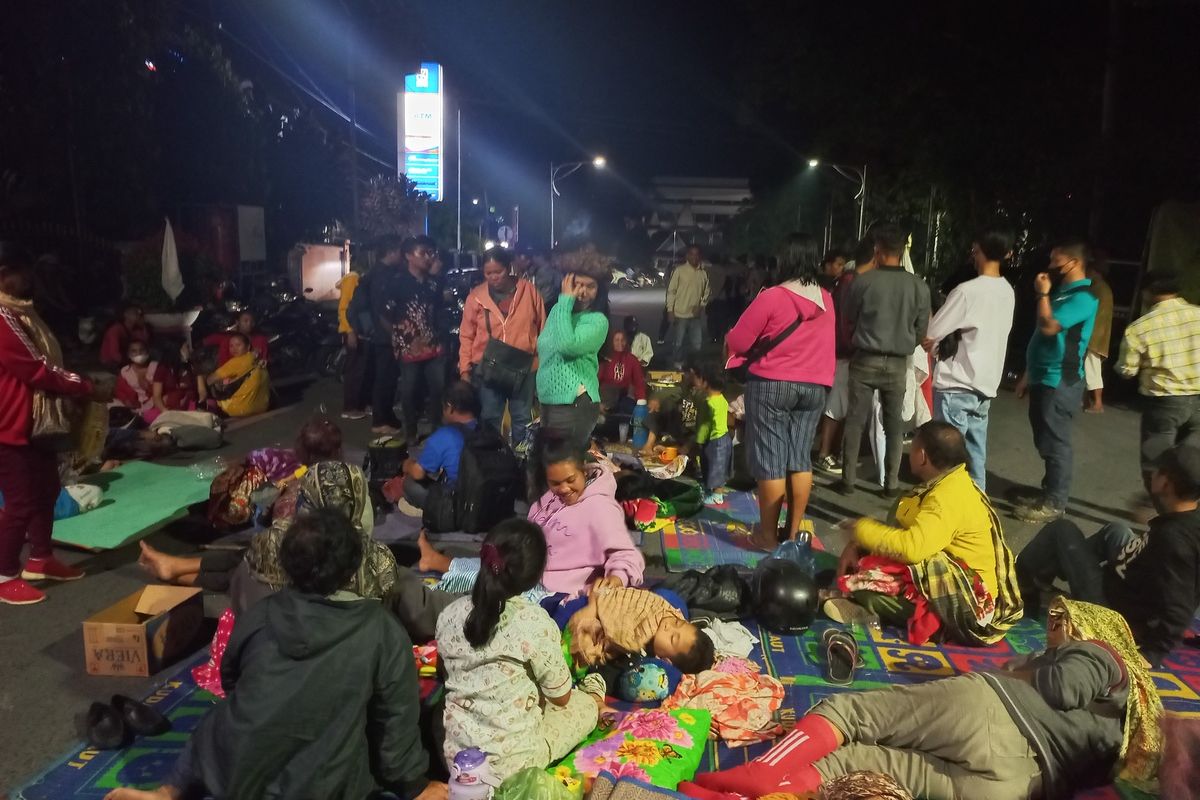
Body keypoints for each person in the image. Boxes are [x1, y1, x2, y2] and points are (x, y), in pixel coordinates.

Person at [104, 509, 445, 800]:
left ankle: (168, 792)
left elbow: (231, 678)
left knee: (218, 722)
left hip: (235, 775)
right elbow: (395, 721)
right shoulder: (379, 627)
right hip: (319, 785)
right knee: (364, 738)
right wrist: (415, 785)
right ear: (353, 566)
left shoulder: (263, 613)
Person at [682, 597, 1164, 800]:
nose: (1052, 626)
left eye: (1061, 620)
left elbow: (1063, 687)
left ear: (1094, 628)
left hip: (996, 715)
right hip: (1008, 788)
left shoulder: (1104, 655)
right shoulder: (1118, 733)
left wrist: (1015, 671)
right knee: (853, 766)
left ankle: (760, 774)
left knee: (850, 712)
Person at [438, 519, 605, 785]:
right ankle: (594, 697)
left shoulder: (448, 615)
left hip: (457, 759)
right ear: (535, 577)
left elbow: (445, 673)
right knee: (583, 705)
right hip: (515, 765)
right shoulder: (534, 622)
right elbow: (561, 698)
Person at [833, 421, 1022, 645]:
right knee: (900, 509)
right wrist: (858, 543)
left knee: (865, 589)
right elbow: (905, 530)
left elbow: (911, 549)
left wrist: (860, 531)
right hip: (955, 577)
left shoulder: (946, 498)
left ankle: (930, 623)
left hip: (969, 602)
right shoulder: (952, 483)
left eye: (912, 448)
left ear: (922, 456)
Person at [1017, 444, 1200, 667]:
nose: (1152, 474)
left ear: (1166, 483)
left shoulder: (1174, 539)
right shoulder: (1188, 518)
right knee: (1116, 530)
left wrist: (1152, 654)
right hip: (1130, 583)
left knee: (1062, 530)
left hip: (1111, 611)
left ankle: (1021, 585)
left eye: (1158, 471)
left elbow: (1180, 608)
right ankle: (1051, 572)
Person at [0, 244, 107, 605]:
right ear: (5, 275)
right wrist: (84, 386)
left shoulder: (21, 313)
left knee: (47, 490)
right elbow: (35, 368)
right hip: (10, 424)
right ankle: (4, 573)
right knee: (19, 503)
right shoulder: (3, 316)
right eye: (23, 272)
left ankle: (40, 558)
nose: (28, 279)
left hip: (32, 422)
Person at [415, 437, 644, 597]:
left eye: (570, 480)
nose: (564, 488)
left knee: (487, 583)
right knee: (491, 562)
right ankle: (434, 560)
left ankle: (433, 581)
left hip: (554, 591)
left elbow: (626, 555)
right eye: (555, 483)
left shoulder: (601, 508)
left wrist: (616, 579)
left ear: (583, 469)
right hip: (530, 570)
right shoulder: (550, 499)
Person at [726, 233, 836, 548]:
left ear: (783, 260)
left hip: (773, 385)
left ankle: (767, 536)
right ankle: (792, 531)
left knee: (771, 460)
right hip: (815, 387)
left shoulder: (773, 297)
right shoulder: (826, 299)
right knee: (800, 458)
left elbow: (739, 341)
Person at [836, 224, 931, 498]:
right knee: (893, 427)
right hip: (898, 363)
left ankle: (848, 481)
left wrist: (858, 340)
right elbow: (921, 330)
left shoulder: (862, 282)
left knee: (855, 422)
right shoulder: (919, 286)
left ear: (877, 250)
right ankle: (890, 485)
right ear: (901, 252)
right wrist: (905, 343)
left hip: (865, 358)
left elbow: (848, 320)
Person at [921, 229, 1016, 490]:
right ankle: (978, 506)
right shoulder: (1007, 291)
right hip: (985, 384)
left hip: (957, 383)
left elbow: (932, 332)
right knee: (975, 457)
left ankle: (946, 507)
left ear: (978, 250)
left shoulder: (967, 291)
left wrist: (935, 342)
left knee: (947, 459)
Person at [1014, 238, 1100, 522]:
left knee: (1056, 443)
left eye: (1056, 260)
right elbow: (1041, 339)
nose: (1050, 265)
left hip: (1060, 379)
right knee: (1046, 440)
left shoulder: (1084, 298)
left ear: (1073, 263)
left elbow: (1049, 327)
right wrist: (1027, 375)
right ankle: (1048, 492)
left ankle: (1054, 502)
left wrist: (1042, 294)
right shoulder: (1062, 293)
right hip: (1043, 376)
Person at [1115, 271, 1200, 490]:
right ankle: (1188, 504)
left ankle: (1159, 505)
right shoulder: (1197, 315)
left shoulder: (1139, 328)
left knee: (1156, 462)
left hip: (1164, 403)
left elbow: (1127, 370)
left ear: (1147, 292)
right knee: (1192, 463)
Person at [458, 246, 545, 448]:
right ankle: (494, 459)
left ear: (509, 268)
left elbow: (543, 327)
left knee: (522, 418)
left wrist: (541, 362)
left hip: (524, 367)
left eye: (498, 272)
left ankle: (522, 460)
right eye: (488, 273)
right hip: (488, 367)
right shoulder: (476, 297)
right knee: (490, 418)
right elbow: (466, 335)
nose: (493, 277)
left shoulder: (528, 291)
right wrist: (465, 370)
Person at [816, 237, 877, 475]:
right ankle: (825, 453)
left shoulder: (848, 281)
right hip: (846, 353)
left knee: (842, 403)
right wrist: (850, 347)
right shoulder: (852, 283)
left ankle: (830, 451)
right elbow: (843, 322)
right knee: (837, 403)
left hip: (845, 351)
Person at [565, 584, 715, 672]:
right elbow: (636, 599)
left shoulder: (639, 658)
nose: (668, 626)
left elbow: (619, 636)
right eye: (677, 623)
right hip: (601, 597)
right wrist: (595, 605)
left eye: (672, 638)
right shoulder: (665, 609)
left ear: (666, 661)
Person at [536, 271, 609, 451]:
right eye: (577, 284)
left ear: (599, 290)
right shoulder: (558, 311)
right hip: (547, 402)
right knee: (548, 461)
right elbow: (545, 347)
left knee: (565, 460)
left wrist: (565, 301)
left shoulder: (597, 321)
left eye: (590, 286)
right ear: (566, 283)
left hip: (575, 401)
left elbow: (567, 346)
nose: (582, 292)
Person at [395, 380, 480, 516]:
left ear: (450, 407)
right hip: (487, 496)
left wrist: (407, 464)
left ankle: (438, 511)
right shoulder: (488, 429)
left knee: (410, 484)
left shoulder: (445, 435)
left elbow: (418, 473)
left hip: (460, 503)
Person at [367, 235, 406, 434]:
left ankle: (387, 417)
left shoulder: (382, 273)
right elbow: (382, 311)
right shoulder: (382, 276)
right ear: (391, 252)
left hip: (385, 335)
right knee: (384, 379)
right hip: (385, 337)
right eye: (399, 251)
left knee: (389, 379)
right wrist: (395, 335)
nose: (402, 256)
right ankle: (380, 421)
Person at [691, 361, 731, 506]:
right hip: (724, 438)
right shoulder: (722, 399)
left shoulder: (707, 402)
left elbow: (704, 425)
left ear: (706, 382)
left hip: (714, 440)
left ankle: (717, 495)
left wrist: (699, 441)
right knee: (719, 465)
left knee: (715, 466)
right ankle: (712, 489)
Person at [666, 244, 711, 369]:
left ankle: (693, 365)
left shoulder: (703, 273)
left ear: (700, 256)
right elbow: (671, 291)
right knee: (678, 343)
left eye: (697, 254)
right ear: (687, 256)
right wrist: (670, 310)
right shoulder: (679, 271)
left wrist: (701, 306)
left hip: (695, 315)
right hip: (680, 313)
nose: (694, 257)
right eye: (691, 254)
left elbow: (707, 292)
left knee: (697, 344)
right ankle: (678, 364)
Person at [336, 266, 372, 420]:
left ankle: (361, 405)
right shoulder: (352, 279)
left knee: (362, 370)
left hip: (358, 332)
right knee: (354, 371)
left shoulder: (356, 280)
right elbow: (344, 308)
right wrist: (350, 332)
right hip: (353, 333)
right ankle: (350, 408)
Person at [204, 333, 268, 417]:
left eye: (238, 345)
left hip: (240, 409)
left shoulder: (238, 362)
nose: (234, 349)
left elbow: (210, 380)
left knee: (209, 384)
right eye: (231, 346)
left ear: (248, 347)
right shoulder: (257, 359)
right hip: (261, 407)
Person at [597, 329, 647, 430]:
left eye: (622, 340)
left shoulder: (632, 360)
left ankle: (626, 436)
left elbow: (639, 383)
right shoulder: (605, 359)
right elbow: (595, 381)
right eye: (617, 340)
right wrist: (597, 403)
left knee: (631, 410)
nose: (620, 343)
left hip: (624, 396)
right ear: (612, 342)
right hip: (606, 397)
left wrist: (641, 402)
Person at [1084, 260, 1114, 413]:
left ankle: (1097, 403)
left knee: (1092, 369)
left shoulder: (1099, 289)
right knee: (1088, 368)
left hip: (1094, 335)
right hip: (1096, 333)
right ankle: (1087, 401)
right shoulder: (1101, 288)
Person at [202, 309, 269, 366]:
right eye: (245, 321)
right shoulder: (226, 337)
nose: (249, 324)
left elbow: (264, 359)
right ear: (237, 322)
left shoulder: (261, 339)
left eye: (252, 321)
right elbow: (205, 341)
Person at [99, 303, 150, 368]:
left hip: (126, 358)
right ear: (126, 315)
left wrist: (143, 326)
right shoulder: (115, 330)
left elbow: (144, 343)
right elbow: (114, 353)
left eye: (139, 314)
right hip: (111, 361)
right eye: (135, 313)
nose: (138, 316)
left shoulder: (135, 329)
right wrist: (128, 364)